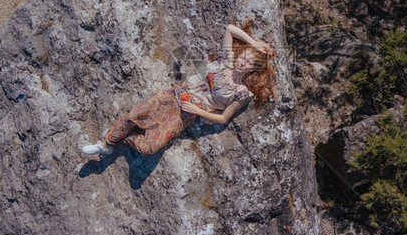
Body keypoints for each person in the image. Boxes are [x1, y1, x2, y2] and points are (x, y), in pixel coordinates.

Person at [80, 22, 275, 156]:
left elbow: (223, 118)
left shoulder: (242, 92)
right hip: (173, 95)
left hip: (187, 115)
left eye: (249, 63)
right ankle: (105, 144)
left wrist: (197, 111)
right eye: (244, 57)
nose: (243, 63)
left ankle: (122, 139)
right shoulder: (225, 62)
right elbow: (230, 29)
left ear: (252, 69)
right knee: (135, 115)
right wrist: (254, 43)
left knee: (150, 148)